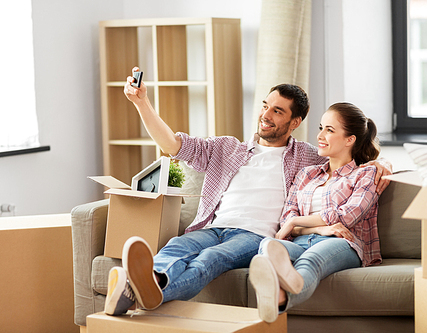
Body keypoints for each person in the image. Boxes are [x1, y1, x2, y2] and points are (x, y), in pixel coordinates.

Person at [104, 67, 392, 316]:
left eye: (277, 111)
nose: (265, 115)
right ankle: (146, 283)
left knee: (210, 260)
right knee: (177, 247)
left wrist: (384, 165)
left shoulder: (307, 158)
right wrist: (142, 103)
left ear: (295, 123)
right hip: (214, 226)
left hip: (254, 236)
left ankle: (139, 293)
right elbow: (173, 145)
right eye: (265, 106)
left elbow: (353, 159)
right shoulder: (228, 149)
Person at [249, 102, 382, 323]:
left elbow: (347, 215)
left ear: (350, 140)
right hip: (304, 239)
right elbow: (286, 216)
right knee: (268, 245)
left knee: (310, 260)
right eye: (321, 127)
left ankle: (280, 301)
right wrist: (320, 227)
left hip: (344, 243)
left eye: (330, 130)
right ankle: (278, 295)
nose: (320, 135)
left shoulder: (365, 174)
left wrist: (294, 224)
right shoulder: (307, 174)